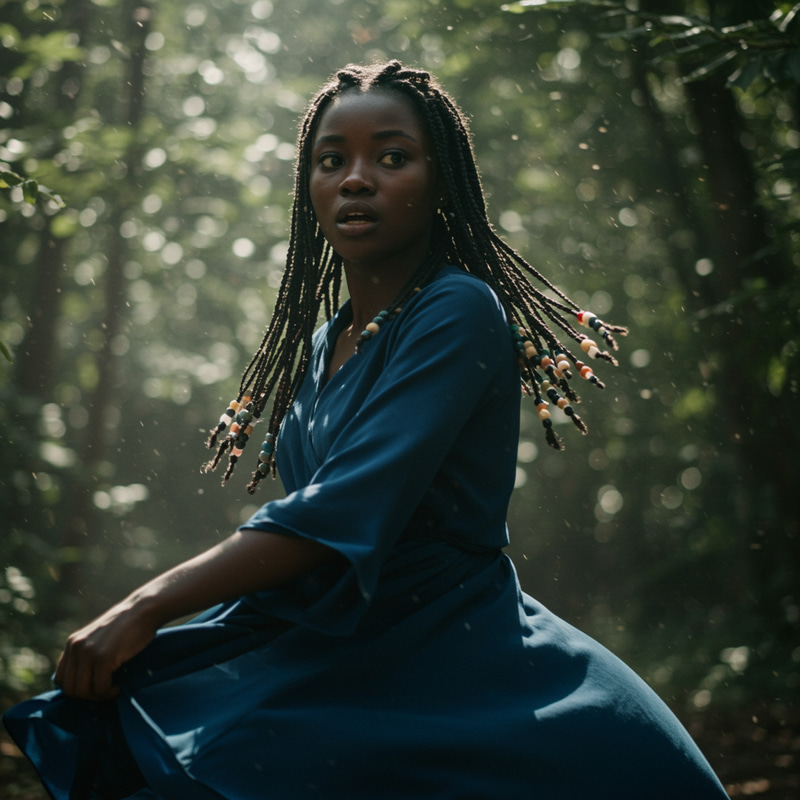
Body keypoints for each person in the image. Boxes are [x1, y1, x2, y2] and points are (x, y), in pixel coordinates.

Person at [4, 61, 728, 799]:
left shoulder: (459, 309)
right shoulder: (326, 344)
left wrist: (145, 605)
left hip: (447, 648)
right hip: (334, 634)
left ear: (439, 178)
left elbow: (337, 512)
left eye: (391, 157)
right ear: (309, 187)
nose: (356, 179)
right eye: (332, 160)